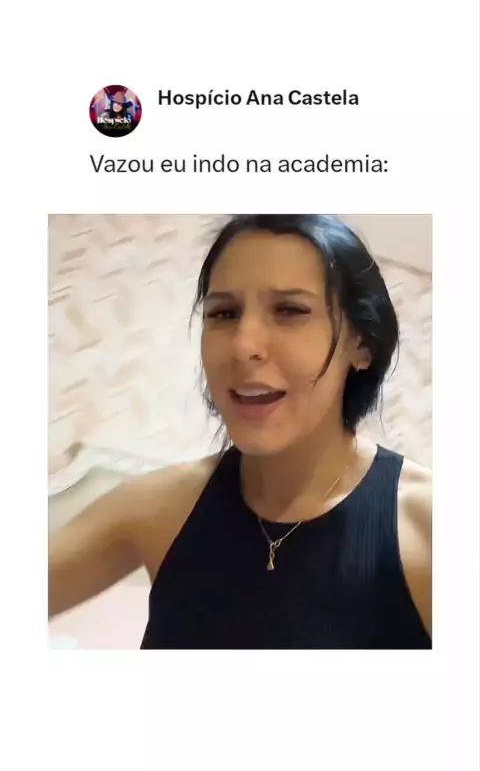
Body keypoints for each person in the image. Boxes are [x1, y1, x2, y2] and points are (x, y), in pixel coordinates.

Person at [48, 214, 432, 649]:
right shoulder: (159, 508)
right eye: (224, 313)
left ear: (362, 345)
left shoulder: (427, 526)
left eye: (290, 310)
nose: (243, 345)